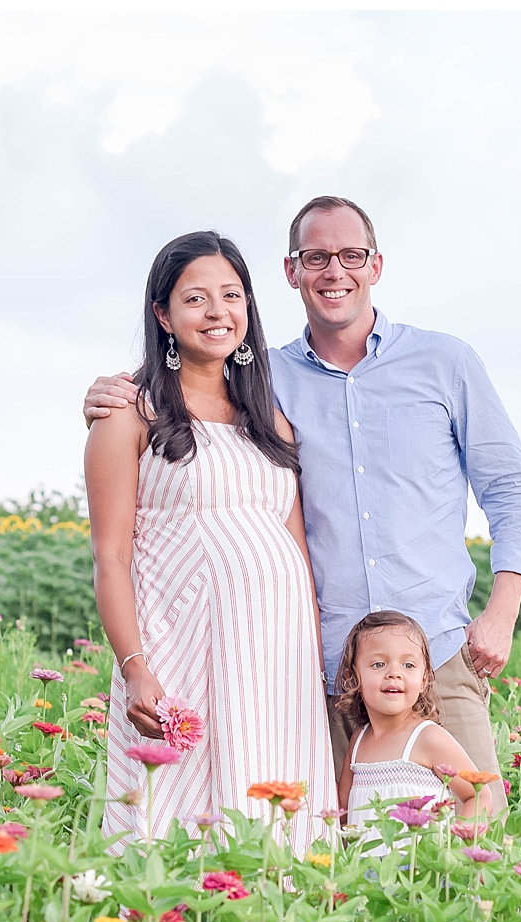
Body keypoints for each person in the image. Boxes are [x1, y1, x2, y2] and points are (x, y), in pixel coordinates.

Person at [85, 195, 521, 814]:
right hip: (321, 672)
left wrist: (502, 611)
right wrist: (104, 397)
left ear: (376, 264)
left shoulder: (445, 363)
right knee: (335, 847)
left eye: (351, 255)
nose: (335, 272)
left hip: (435, 653)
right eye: (316, 257)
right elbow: (173, 408)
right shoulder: (259, 384)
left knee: (474, 825)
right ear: (291, 271)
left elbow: (512, 488)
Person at [83, 230, 335, 853]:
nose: (218, 312)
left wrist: (313, 651)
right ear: (163, 314)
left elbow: (295, 549)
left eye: (232, 295)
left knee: (276, 806)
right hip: (180, 652)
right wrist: (136, 669)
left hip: (278, 659)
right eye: (196, 299)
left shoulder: (269, 419)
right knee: (177, 815)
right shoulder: (127, 414)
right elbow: (110, 558)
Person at [332, 611, 493, 845]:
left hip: (418, 875)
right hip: (366, 876)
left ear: (425, 678)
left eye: (408, 665)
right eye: (378, 664)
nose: (394, 673)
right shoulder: (359, 740)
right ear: (353, 677)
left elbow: (479, 796)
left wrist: (450, 850)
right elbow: (344, 810)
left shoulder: (428, 738)